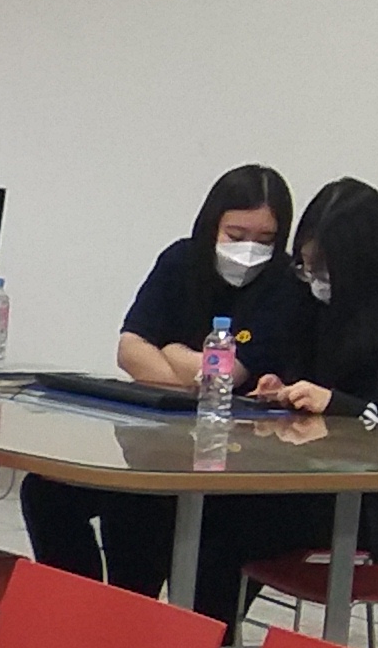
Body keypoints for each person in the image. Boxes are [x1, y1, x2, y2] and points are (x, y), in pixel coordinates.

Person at [186, 176, 378, 630]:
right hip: (326, 484)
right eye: (306, 267)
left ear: (361, 264)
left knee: (227, 520)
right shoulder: (325, 310)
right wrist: (284, 390)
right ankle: (189, 647)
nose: (314, 281)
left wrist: (338, 405)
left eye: (323, 269)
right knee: (200, 509)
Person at [21, 163, 315, 591]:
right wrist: (193, 375)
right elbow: (129, 349)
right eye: (236, 236)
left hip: (232, 462)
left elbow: (226, 375)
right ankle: (82, 605)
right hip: (152, 443)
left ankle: (129, 614)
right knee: (45, 492)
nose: (249, 250)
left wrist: (172, 350)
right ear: (212, 225)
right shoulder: (181, 260)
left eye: (265, 240)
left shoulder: (284, 285)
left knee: (138, 513)